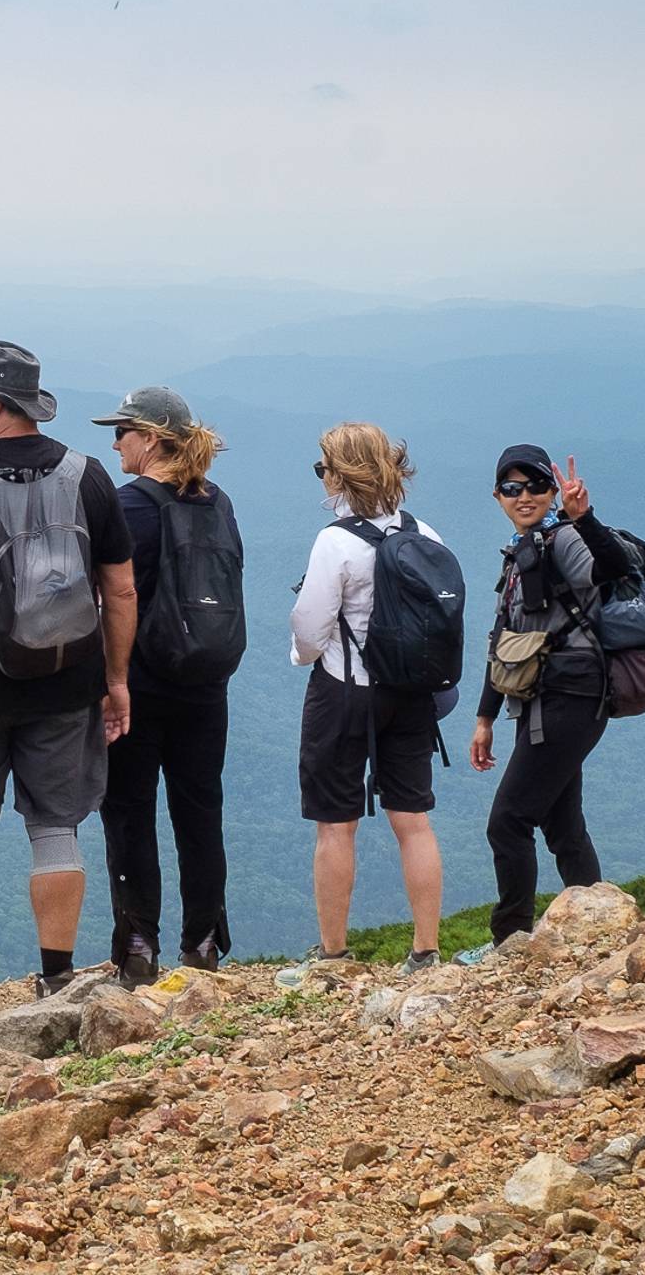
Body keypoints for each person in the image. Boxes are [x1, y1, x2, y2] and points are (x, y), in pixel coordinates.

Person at [0, 340, 137, 1027]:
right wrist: (114, 678)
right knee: (56, 828)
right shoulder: (90, 476)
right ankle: (57, 982)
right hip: (67, 684)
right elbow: (121, 588)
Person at [279, 421, 448, 986]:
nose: (321, 476)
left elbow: (310, 626)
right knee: (414, 821)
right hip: (412, 694)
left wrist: (303, 655)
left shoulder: (336, 541)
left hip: (345, 691)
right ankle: (426, 951)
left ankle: (333, 954)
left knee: (335, 825)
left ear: (342, 474)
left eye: (323, 467)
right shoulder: (425, 533)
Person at [457, 446, 637, 963]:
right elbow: (504, 639)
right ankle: (600, 923)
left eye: (535, 485)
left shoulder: (565, 540)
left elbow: (614, 570)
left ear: (553, 492)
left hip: (571, 696)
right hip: (539, 699)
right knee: (562, 824)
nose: (524, 496)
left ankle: (511, 939)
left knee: (508, 821)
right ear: (498, 497)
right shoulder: (519, 552)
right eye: (511, 488)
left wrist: (586, 519)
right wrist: (485, 716)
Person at [92, 386, 240, 984]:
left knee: (129, 810)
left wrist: (112, 679)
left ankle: (137, 947)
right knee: (201, 809)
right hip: (207, 680)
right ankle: (203, 940)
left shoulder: (130, 506)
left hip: (141, 683)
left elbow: (113, 596)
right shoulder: (218, 501)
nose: (115, 441)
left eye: (123, 431)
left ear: (151, 439)